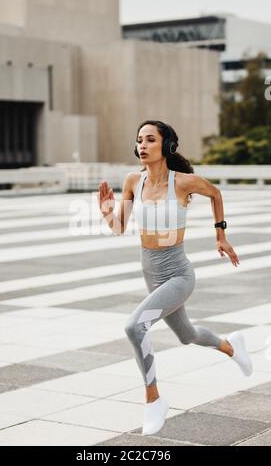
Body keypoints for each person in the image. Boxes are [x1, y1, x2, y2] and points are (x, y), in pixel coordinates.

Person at [97, 120, 252, 436]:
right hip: (151, 273)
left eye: (150, 139)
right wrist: (107, 213)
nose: (142, 145)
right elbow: (119, 227)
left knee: (134, 326)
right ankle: (231, 346)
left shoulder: (182, 182)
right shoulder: (132, 181)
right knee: (187, 334)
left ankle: (153, 399)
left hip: (178, 275)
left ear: (166, 146)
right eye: (139, 140)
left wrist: (220, 235)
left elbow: (215, 193)